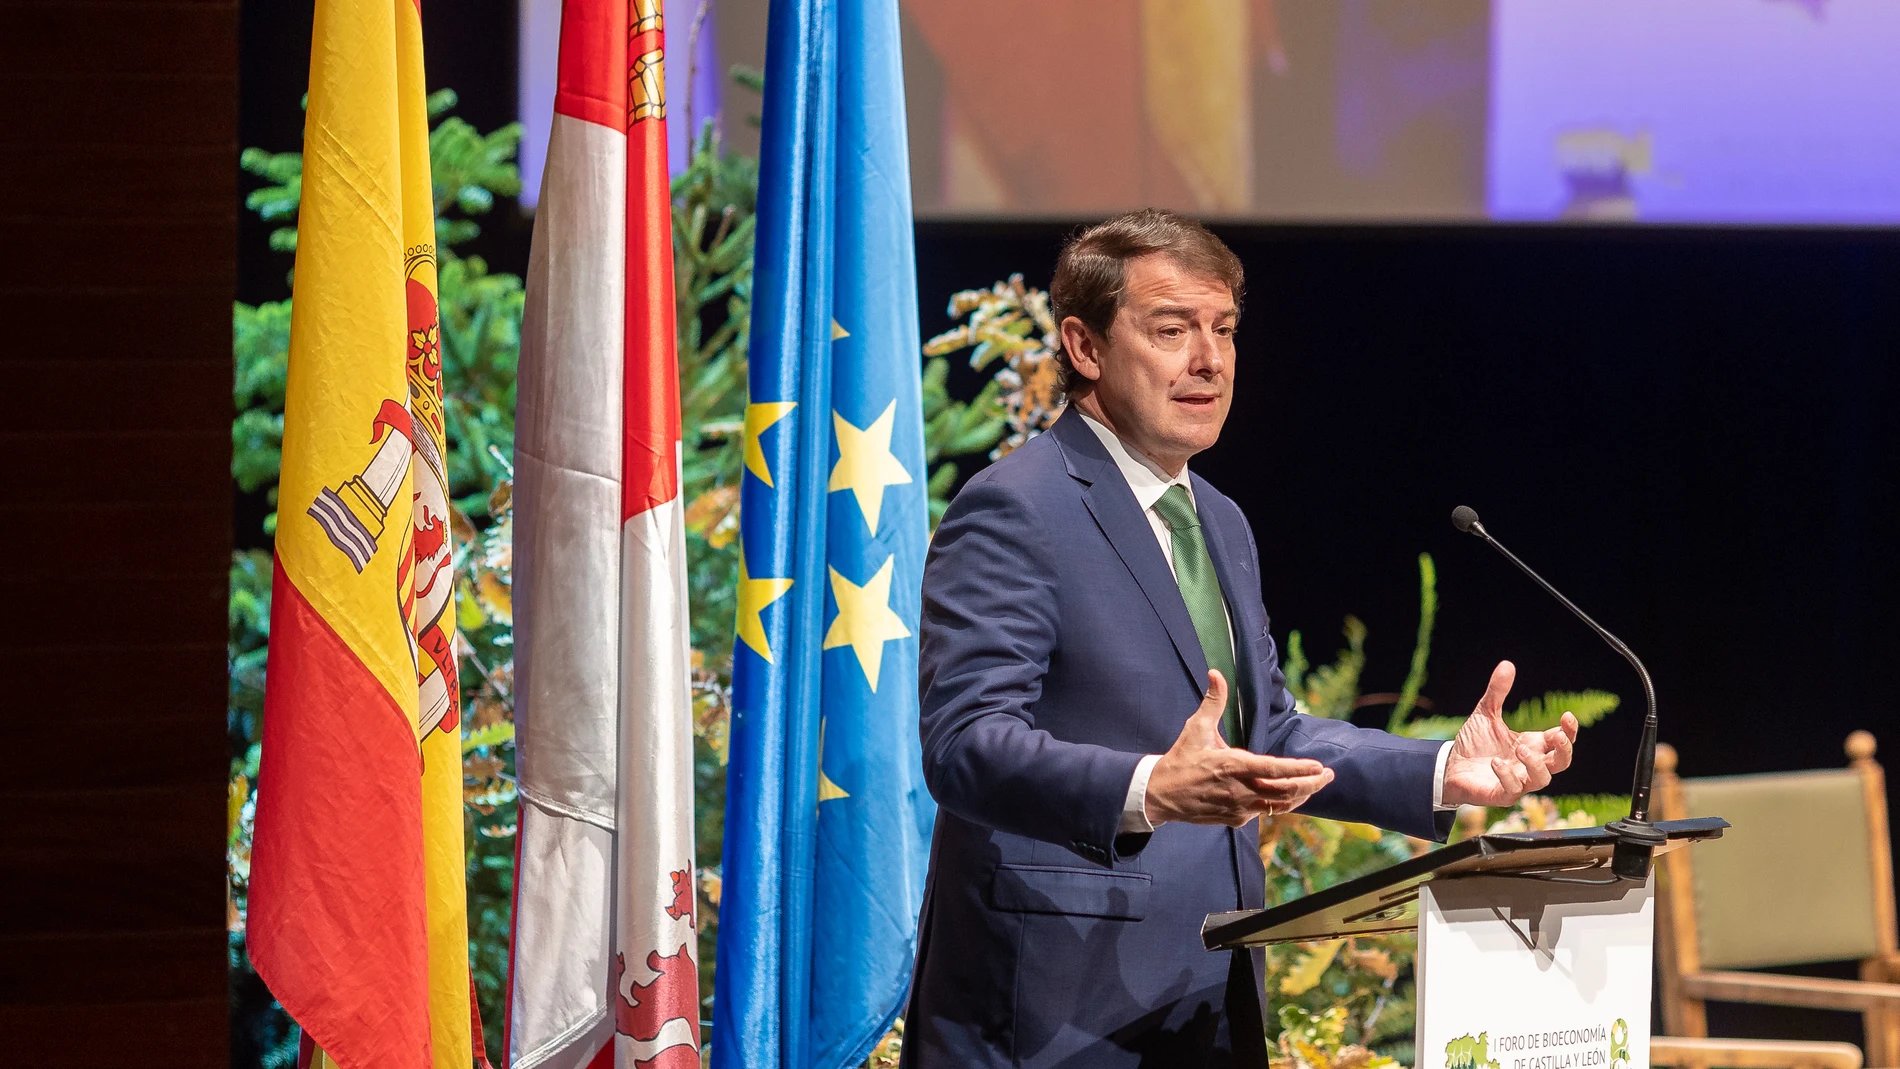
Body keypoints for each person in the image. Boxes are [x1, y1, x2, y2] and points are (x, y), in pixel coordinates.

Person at [900, 209, 1579, 1068]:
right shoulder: (1017, 508)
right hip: (1053, 1010)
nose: (1210, 360)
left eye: (1222, 329)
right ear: (1084, 345)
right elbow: (965, 745)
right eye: (1172, 329)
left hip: (1206, 997)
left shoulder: (1216, 518)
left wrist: (1444, 769)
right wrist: (1151, 785)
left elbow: (1274, 737)